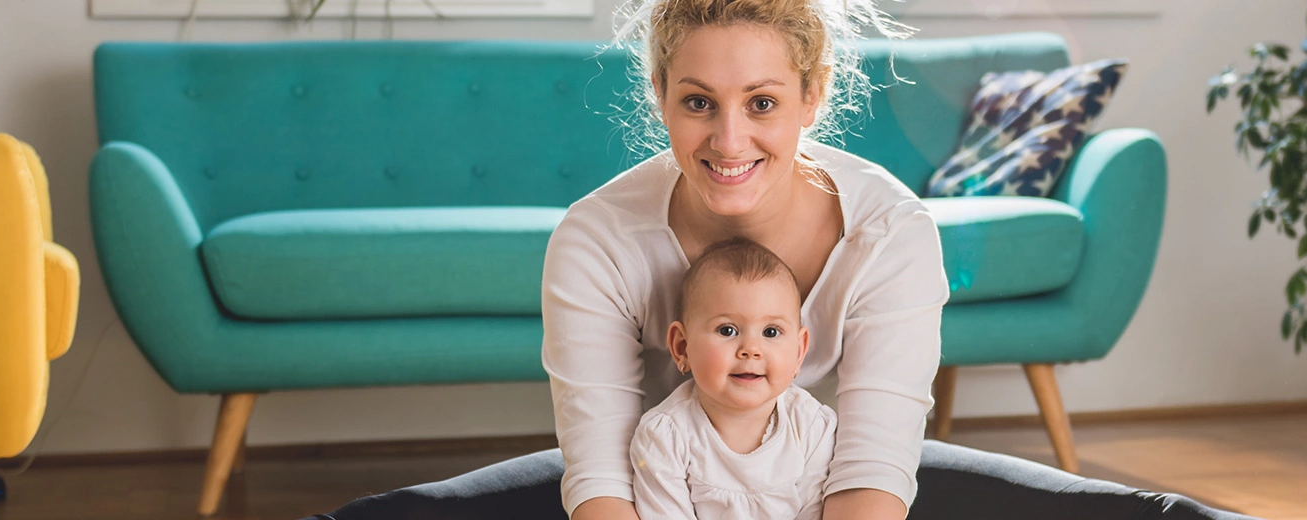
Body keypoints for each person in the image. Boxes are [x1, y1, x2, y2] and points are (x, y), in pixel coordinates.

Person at [319, 0, 1249, 517]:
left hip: (836, 491)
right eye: (697, 103)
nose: (728, 140)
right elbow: (600, 479)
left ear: (811, 96)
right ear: (659, 98)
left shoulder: (891, 232)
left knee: (1096, 514)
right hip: (662, 499)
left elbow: (877, 473)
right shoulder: (595, 241)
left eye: (761, 102)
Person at [633, 237, 838, 520]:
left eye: (771, 332)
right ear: (682, 346)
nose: (750, 350)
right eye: (727, 330)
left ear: (799, 351)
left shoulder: (812, 427)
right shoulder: (664, 436)